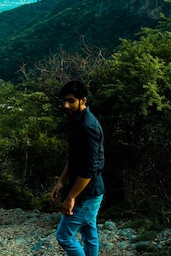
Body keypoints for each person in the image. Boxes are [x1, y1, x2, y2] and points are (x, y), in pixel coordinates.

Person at [51, 80, 105, 256]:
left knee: (64, 235)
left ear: (83, 100)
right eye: (64, 101)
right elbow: (74, 158)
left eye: (71, 101)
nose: (66, 105)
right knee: (89, 232)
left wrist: (71, 197)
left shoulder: (87, 127)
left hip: (87, 192)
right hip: (91, 190)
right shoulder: (77, 121)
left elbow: (88, 169)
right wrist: (61, 182)